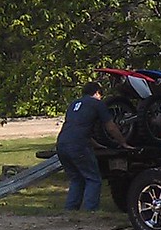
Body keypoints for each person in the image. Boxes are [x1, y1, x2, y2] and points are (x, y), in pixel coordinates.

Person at [55, 81, 129, 212]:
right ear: (97, 93)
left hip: (61, 143)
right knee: (93, 178)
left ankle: (70, 211)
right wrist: (123, 142)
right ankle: (90, 212)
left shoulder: (73, 104)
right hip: (78, 146)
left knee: (76, 179)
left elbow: (79, 129)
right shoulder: (97, 104)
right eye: (101, 94)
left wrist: (97, 145)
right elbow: (111, 127)